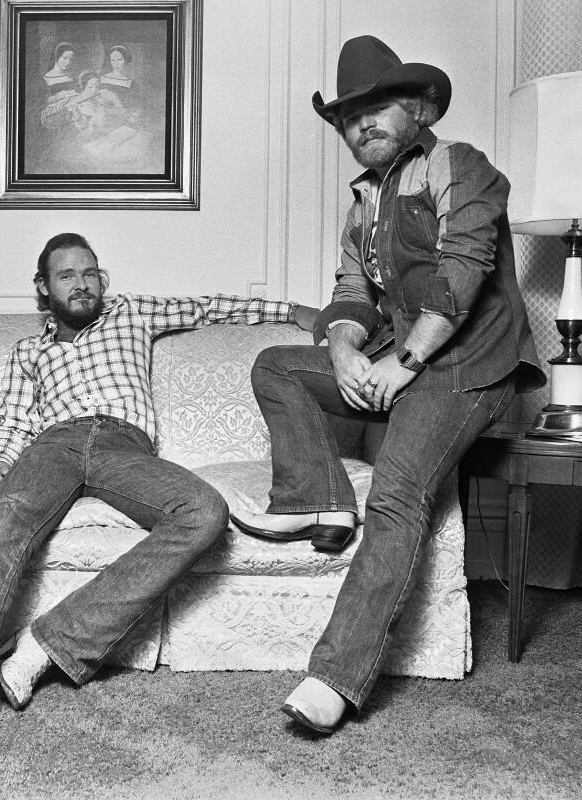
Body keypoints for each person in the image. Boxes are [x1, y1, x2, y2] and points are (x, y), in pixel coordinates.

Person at [0, 232, 319, 773]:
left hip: (124, 446)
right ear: (42, 288)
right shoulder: (28, 351)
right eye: (66, 276)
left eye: (90, 273)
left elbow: (212, 306)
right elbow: (17, 424)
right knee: (2, 529)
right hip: (52, 446)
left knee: (204, 511)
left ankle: (48, 642)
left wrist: (294, 310)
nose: (82, 284)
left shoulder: (132, 313)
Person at [228, 36, 545, 735]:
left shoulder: (460, 166)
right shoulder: (363, 203)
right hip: (399, 361)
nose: (361, 124)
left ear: (419, 106)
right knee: (277, 365)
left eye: (377, 108)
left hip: (467, 369)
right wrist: (345, 351)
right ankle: (323, 500)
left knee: (400, 494)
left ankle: (335, 677)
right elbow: (350, 291)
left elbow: (463, 268)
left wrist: (403, 364)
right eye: (348, 116)